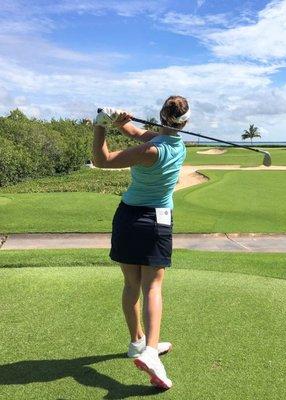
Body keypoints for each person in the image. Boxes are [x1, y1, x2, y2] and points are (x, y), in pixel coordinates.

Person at [92, 96, 189, 390]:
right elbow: (133, 132)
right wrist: (120, 121)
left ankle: (138, 342)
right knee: (153, 286)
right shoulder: (177, 146)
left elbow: (101, 159)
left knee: (131, 284)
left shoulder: (150, 148)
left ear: (160, 117)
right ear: (185, 123)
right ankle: (150, 352)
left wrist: (101, 125)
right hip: (156, 220)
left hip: (127, 217)